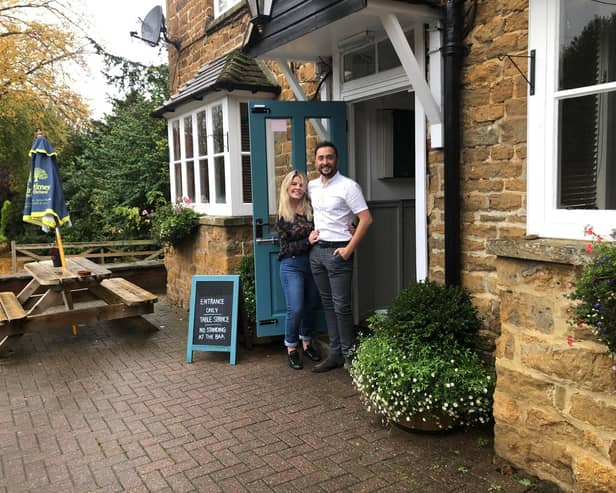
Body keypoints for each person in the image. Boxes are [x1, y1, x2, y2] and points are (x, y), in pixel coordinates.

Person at [309, 141, 372, 373]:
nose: (325, 162)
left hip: (339, 253)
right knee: (327, 305)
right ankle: (335, 354)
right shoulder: (312, 187)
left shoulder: (349, 186)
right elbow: (304, 210)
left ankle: (350, 357)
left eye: (329, 157)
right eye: (321, 158)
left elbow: (366, 219)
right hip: (317, 253)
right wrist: (308, 236)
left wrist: (349, 249)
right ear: (315, 161)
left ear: (336, 160)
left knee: (341, 307)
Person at [276, 170, 322, 370]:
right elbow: (285, 249)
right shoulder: (283, 215)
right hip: (292, 264)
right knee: (295, 308)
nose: (297, 188)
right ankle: (291, 348)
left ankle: (306, 343)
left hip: (313, 263)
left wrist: (351, 227)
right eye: (293, 184)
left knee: (311, 305)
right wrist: (307, 241)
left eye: (301, 184)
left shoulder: (312, 209)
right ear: (287, 187)